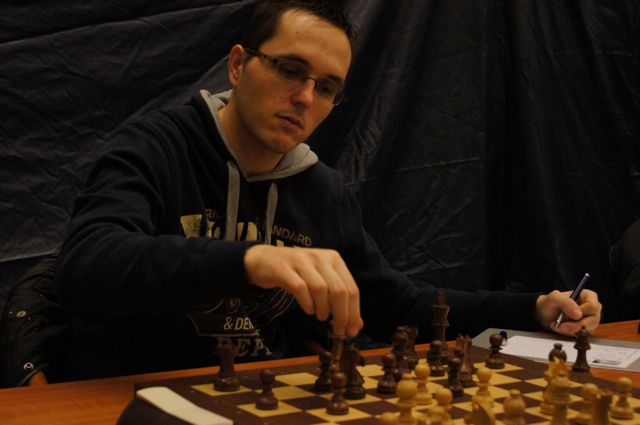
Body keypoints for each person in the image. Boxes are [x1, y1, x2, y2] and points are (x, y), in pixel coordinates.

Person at [55, 0, 602, 381]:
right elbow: (88, 265)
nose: (305, 98)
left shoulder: (320, 189)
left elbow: (397, 305)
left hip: (260, 397)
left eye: (327, 88)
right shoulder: (154, 146)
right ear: (239, 65)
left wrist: (532, 309)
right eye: (290, 70)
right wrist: (251, 259)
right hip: (132, 397)